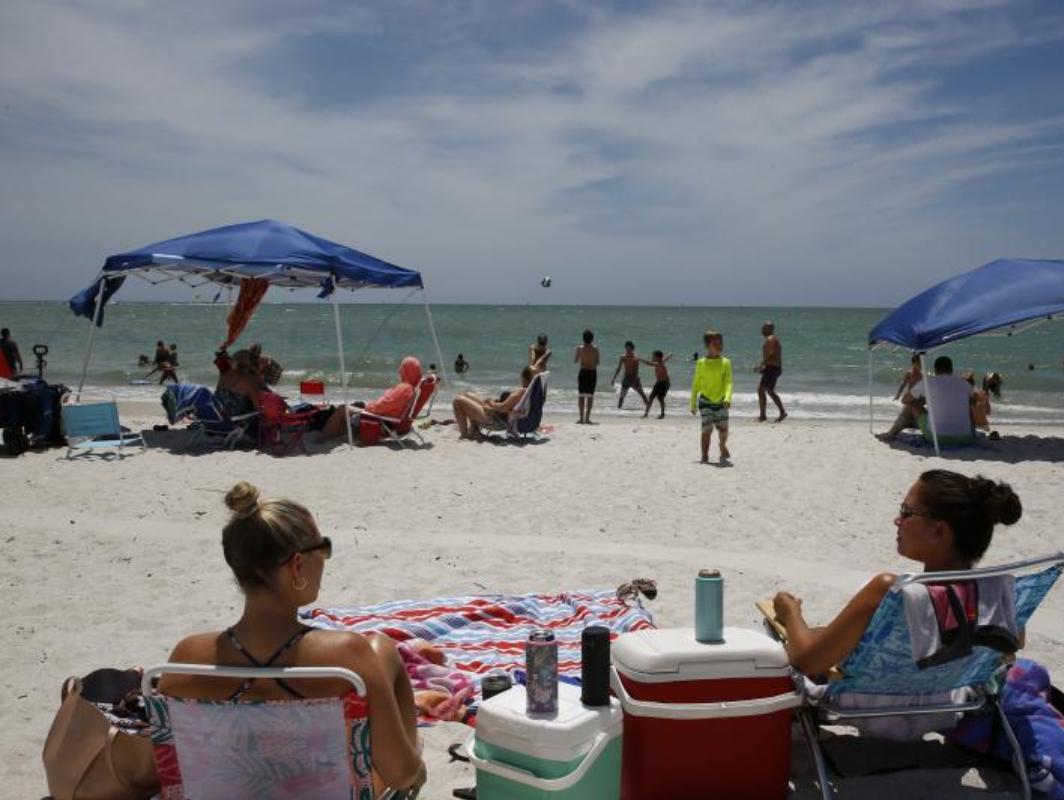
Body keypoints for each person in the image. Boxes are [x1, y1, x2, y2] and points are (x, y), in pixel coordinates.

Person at [159, 482, 425, 794]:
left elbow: (168, 762)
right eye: (322, 548)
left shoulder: (187, 658)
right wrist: (416, 768)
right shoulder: (347, 657)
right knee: (383, 650)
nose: (325, 559)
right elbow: (398, 775)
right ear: (298, 565)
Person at [772, 470, 1022, 679]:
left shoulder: (891, 591)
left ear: (938, 531)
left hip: (870, 708)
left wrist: (791, 612)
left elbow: (806, 662)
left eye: (906, 512)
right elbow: (1012, 646)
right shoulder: (996, 597)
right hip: (947, 707)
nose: (896, 520)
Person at [452, 356, 545, 440]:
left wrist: (491, 402)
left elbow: (501, 408)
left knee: (458, 401)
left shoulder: (522, 392)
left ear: (524, 378)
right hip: (506, 418)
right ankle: (474, 429)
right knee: (467, 395)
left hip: (496, 420)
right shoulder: (535, 394)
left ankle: (464, 434)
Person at [885, 355, 974, 441]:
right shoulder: (964, 384)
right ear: (952, 369)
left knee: (911, 404)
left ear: (935, 369)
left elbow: (905, 400)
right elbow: (973, 403)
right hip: (965, 437)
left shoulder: (928, 381)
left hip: (938, 437)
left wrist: (924, 401)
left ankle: (892, 433)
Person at [690, 330, 733, 463]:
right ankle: (704, 455)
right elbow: (696, 384)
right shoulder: (701, 363)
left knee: (723, 430)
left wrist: (727, 397)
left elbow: (728, 382)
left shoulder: (726, 362)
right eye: (716, 343)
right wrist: (692, 403)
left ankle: (722, 445)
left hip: (721, 401)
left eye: (721, 343)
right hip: (705, 401)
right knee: (706, 430)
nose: (720, 345)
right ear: (708, 345)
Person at [215, 349, 266, 417]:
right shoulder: (248, 381)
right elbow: (258, 408)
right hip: (237, 422)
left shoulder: (226, 374)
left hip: (219, 416)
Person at [756, 322, 787, 422]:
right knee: (769, 390)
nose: (762, 330)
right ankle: (782, 412)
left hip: (772, 367)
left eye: (764, 328)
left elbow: (772, 354)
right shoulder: (772, 339)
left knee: (761, 389)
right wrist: (765, 366)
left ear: (769, 329)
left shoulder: (771, 339)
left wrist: (762, 364)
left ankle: (763, 416)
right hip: (773, 367)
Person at [612, 341, 649, 410]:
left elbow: (636, 369)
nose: (627, 350)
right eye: (626, 349)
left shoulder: (635, 357)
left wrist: (634, 379)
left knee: (641, 393)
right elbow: (619, 368)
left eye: (629, 349)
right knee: (622, 395)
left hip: (634, 378)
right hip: (626, 378)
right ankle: (618, 409)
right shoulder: (623, 357)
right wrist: (614, 378)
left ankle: (648, 407)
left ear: (632, 349)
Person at [574, 329, 600, 424]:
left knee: (581, 396)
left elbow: (576, 360)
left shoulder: (579, 348)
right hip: (592, 372)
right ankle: (587, 418)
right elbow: (597, 362)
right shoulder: (596, 349)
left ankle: (581, 418)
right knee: (590, 396)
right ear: (592, 339)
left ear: (583, 338)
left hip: (583, 372)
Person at [642, 350, 673, 419]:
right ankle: (646, 414)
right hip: (658, 383)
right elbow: (666, 358)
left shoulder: (659, 364)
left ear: (658, 357)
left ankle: (662, 414)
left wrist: (640, 359)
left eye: (653, 356)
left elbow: (650, 364)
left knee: (660, 398)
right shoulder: (660, 362)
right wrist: (669, 355)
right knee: (651, 397)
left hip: (665, 383)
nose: (652, 357)